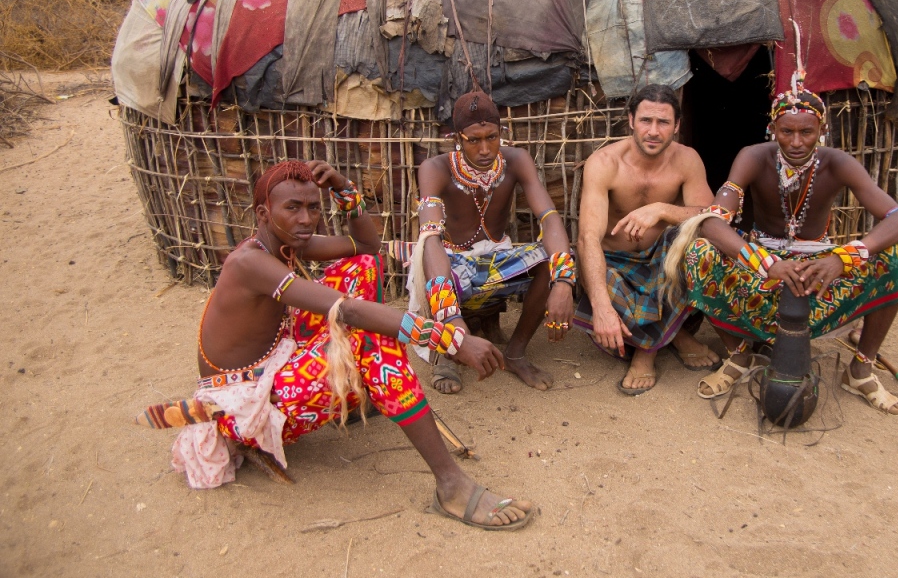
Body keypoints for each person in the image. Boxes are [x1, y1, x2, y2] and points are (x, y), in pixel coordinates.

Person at [149, 159, 532, 529]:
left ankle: (364, 394)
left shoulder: (285, 244)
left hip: (274, 367)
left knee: (362, 268)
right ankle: (450, 484)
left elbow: (366, 246)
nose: (305, 219)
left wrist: (343, 189)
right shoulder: (249, 263)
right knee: (368, 338)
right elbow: (347, 311)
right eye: (293, 208)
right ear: (263, 213)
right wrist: (449, 338)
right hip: (243, 409)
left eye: (312, 208)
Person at [666, 72, 898, 414]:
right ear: (773, 129)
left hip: (821, 272)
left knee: (896, 254)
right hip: (764, 269)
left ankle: (860, 370)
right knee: (699, 252)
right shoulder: (753, 157)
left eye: (807, 132)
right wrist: (767, 263)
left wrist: (843, 259)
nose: (797, 141)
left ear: (822, 131)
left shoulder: (838, 163)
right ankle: (740, 355)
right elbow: (712, 222)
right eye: (787, 131)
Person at [402, 90, 576, 394]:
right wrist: (450, 315)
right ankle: (449, 350)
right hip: (451, 262)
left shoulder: (516, 160)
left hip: (497, 257)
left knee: (554, 259)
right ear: (457, 138)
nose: (485, 148)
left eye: (492, 137)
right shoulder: (435, 168)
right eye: (474, 140)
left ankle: (515, 352)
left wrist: (563, 281)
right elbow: (429, 236)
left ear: (501, 133)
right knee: (434, 264)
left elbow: (549, 218)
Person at [575, 83, 720, 395]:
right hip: (615, 264)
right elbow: (588, 237)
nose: (654, 131)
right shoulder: (604, 163)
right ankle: (676, 336)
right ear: (630, 120)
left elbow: (713, 215)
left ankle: (647, 351)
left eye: (664, 122)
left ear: (677, 126)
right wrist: (601, 308)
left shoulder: (687, 160)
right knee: (591, 272)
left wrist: (662, 210)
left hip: (661, 261)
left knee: (698, 246)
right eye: (646, 121)